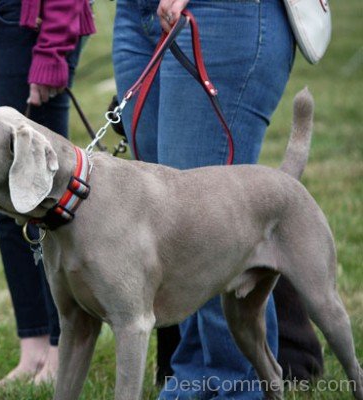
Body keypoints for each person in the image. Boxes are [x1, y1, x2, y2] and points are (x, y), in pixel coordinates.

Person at [113, 0, 322, 397]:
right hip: (134, 13)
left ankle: (233, 387)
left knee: (206, 226)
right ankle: (194, 379)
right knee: (172, 230)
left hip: (221, 12)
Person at [0, 0, 95, 384]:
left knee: (42, 198)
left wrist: (54, 46)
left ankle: (64, 348)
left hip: (29, 22)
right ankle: (33, 348)